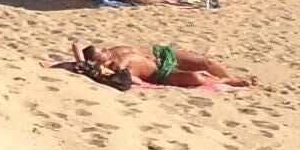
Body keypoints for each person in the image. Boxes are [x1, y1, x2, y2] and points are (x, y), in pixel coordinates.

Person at [71, 43, 255, 90]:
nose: (105, 50)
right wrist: (85, 62)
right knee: (197, 78)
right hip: (160, 73)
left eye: (102, 50)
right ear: (97, 62)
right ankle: (229, 82)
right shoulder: (113, 67)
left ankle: (229, 76)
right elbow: (133, 80)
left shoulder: (114, 51)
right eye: (101, 54)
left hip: (163, 55)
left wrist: (85, 57)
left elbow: (77, 44)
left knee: (207, 63)